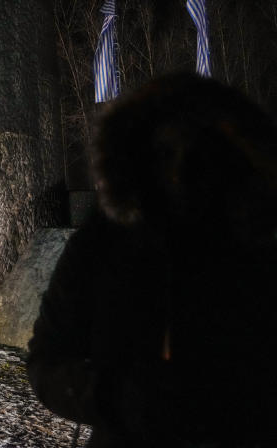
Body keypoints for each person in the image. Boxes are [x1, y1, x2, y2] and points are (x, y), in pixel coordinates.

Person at [27, 73, 277, 447]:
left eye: (197, 151)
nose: (182, 169)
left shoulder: (258, 245)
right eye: (166, 151)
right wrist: (114, 397)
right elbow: (47, 360)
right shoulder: (101, 246)